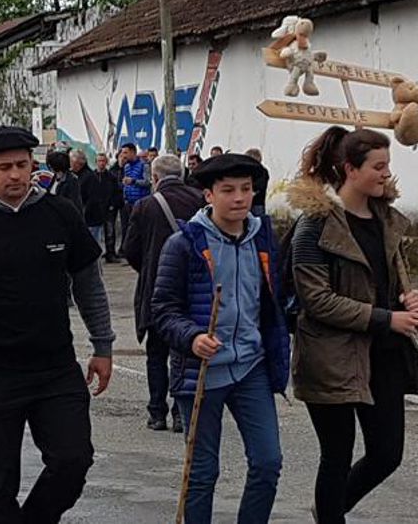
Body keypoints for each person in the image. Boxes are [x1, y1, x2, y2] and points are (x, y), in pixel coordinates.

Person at [0, 126, 114, 524]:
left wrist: (103, 345)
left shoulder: (59, 213)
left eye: (23, 165)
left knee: (73, 460)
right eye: (4, 167)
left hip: (55, 367)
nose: (15, 175)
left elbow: (89, 284)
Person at [287, 127, 418, 524]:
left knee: (386, 454)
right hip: (331, 355)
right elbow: (317, 299)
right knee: (337, 455)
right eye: (378, 166)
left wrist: (408, 296)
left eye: (388, 165)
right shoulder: (315, 225)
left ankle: (329, 510)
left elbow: (393, 277)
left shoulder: (388, 219)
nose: (386, 174)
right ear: (350, 169)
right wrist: (385, 317)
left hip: (386, 353)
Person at [151, 154, 289, 523]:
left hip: (251, 367)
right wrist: (193, 337)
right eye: (228, 190)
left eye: (246, 189)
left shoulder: (262, 237)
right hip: (202, 371)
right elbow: (162, 309)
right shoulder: (184, 244)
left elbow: (276, 297)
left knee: (267, 462)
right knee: (201, 473)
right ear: (209, 195)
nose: (239, 198)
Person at [123, 155, 203, 433]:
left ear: (155, 178)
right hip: (193, 289)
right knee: (184, 351)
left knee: (156, 354)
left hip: (156, 289)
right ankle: (182, 412)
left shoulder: (145, 206)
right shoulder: (200, 200)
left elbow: (130, 249)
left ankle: (157, 412)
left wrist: (148, 269)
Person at [82, 153, 118, 261]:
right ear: (96, 162)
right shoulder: (91, 176)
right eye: (99, 161)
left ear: (106, 162)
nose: (101, 163)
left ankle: (110, 253)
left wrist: (113, 204)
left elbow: (116, 192)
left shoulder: (111, 177)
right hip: (96, 208)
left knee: (110, 231)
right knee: (94, 232)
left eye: (103, 161)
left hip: (108, 207)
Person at [119, 143, 151, 255]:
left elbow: (148, 182)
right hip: (128, 202)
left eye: (125, 152)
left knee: (140, 228)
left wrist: (133, 181)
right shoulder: (126, 167)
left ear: (133, 152)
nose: (123, 155)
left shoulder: (144, 165)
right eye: (122, 152)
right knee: (127, 228)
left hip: (140, 202)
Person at [245, 148, 270, 216]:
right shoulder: (247, 171)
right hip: (248, 203)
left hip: (257, 204)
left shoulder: (262, 171)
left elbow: (259, 186)